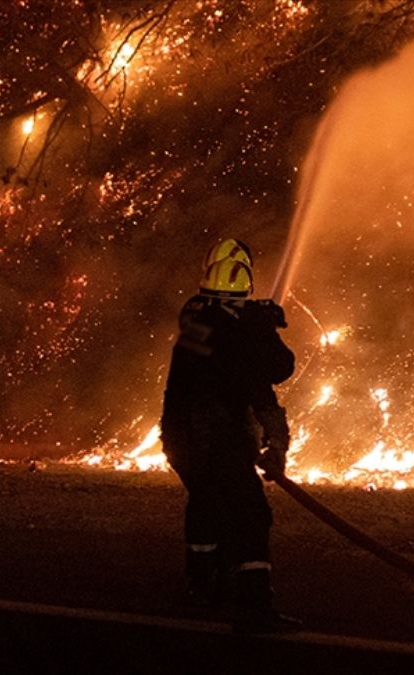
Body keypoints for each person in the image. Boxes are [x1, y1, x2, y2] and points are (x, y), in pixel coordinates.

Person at [159, 238, 298, 633]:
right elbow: (272, 376)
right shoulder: (241, 336)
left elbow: (222, 329)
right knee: (252, 513)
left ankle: (202, 586)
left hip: (180, 437)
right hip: (217, 438)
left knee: (206, 502)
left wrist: (253, 317)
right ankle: (255, 602)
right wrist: (277, 444)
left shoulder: (196, 316)